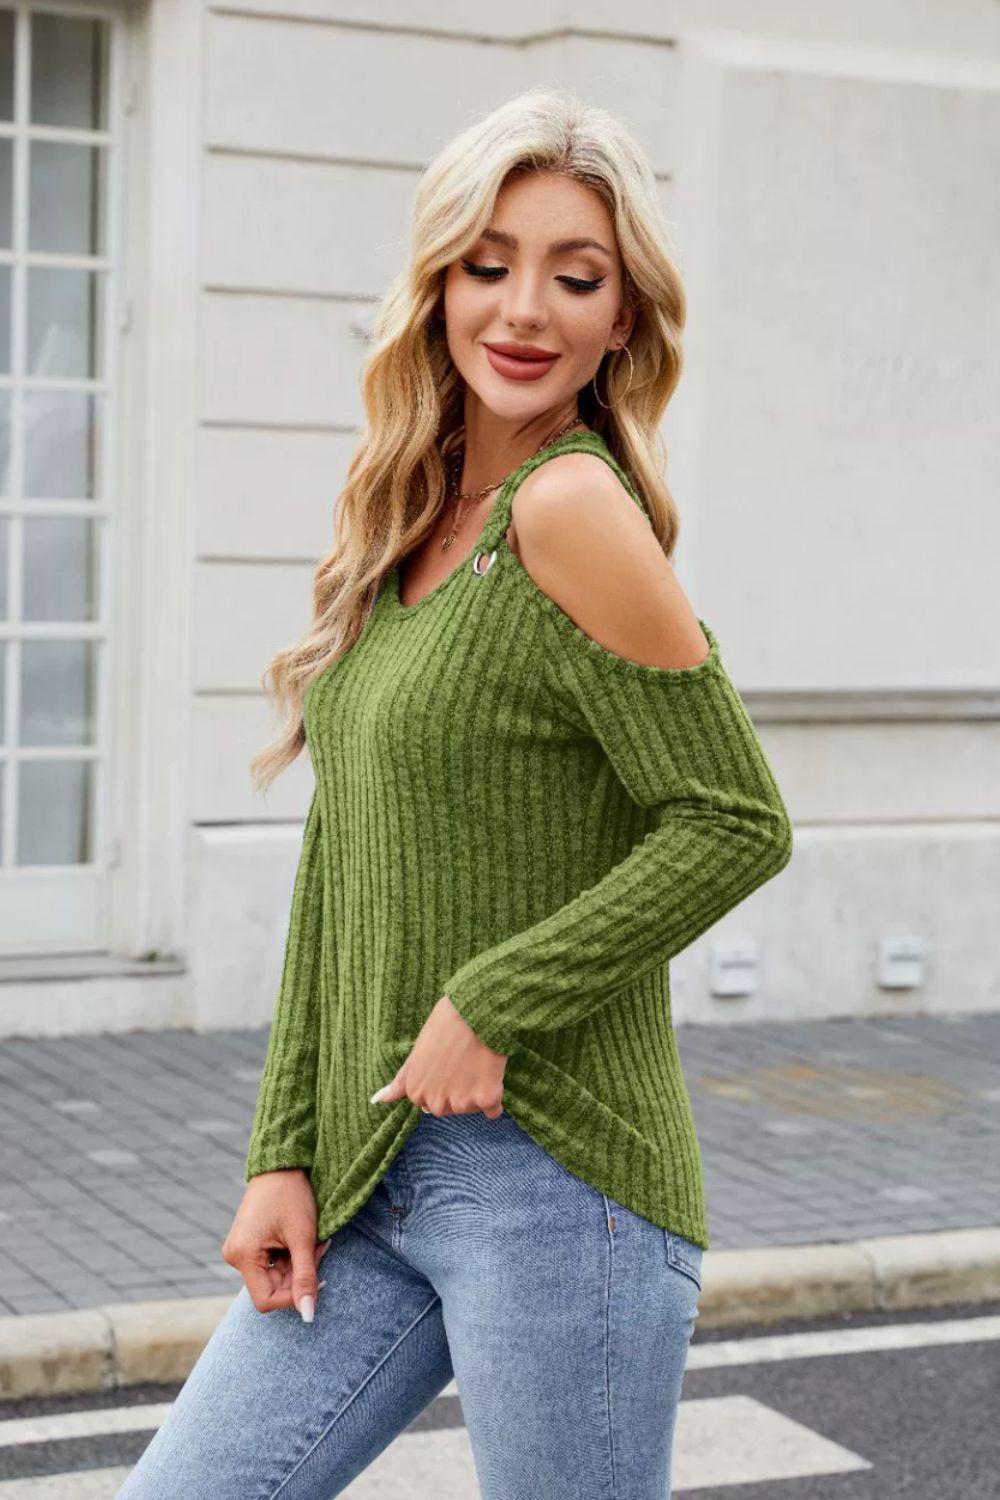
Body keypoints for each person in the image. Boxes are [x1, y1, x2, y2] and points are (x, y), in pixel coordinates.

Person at [117, 87, 793, 1500]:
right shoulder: (409, 525)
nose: (525, 308)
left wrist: (497, 999)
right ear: (437, 286)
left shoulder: (570, 508)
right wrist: (283, 1151)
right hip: (374, 1171)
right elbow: (342, 862)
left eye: (576, 276)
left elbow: (734, 820)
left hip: (556, 1187)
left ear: (623, 316)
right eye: (489, 264)